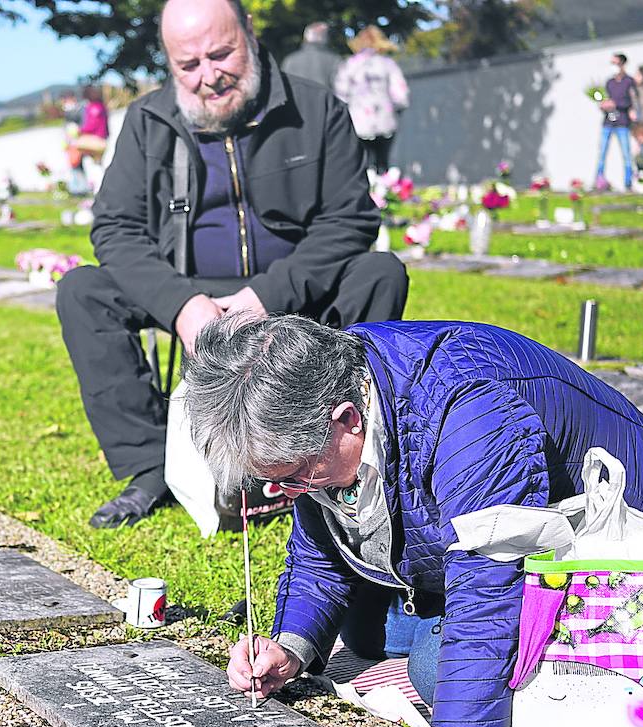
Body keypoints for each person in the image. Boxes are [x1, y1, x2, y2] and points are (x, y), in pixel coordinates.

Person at [184, 314, 643, 727]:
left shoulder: (471, 412)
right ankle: (430, 630)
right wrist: (290, 648)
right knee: (360, 632)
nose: (289, 494)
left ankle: (441, 646)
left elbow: (485, 585)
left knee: (433, 667)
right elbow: (321, 543)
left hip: (611, 530)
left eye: (292, 477)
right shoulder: (322, 375)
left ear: (347, 420)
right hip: (469, 533)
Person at [56, 0, 408, 530]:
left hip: (290, 287)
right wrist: (182, 307)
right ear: (169, 63)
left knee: (379, 273)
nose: (208, 77)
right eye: (188, 66)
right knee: (83, 291)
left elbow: (349, 220)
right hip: (192, 288)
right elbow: (115, 228)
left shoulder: (317, 111)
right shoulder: (148, 121)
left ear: (250, 32)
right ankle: (152, 467)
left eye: (222, 55)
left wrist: (266, 298)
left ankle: (329, 454)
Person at [334, 25, 409, 175]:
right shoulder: (387, 64)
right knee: (383, 164)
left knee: (363, 165)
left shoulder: (349, 65)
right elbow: (401, 94)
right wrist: (396, 109)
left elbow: (341, 95)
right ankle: (386, 193)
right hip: (385, 121)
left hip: (359, 122)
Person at [595, 52, 637, 191]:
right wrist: (603, 105)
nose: (613, 66)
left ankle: (628, 183)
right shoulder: (609, 82)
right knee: (602, 153)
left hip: (622, 123)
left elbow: (631, 102)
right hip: (608, 122)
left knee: (626, 154)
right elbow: (605, 99)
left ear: (622, 64)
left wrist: (615, 103)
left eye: (615, 63)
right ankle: (599, 181)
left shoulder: (629, 82)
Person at [281, 22, 341, 92]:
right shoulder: (334, 60)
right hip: (324, 101)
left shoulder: (290, 60)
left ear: (305, 37)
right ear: (326, 38)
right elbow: (340, 90)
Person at [75, 84, 110, 193]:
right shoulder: (102, 106)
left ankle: (98, 190)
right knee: (99, 164)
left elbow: (92, 124)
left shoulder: (94, 107)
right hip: (102, 139)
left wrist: (80, 130)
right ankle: (101, 189)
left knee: (91, 165)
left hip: (93, 141)